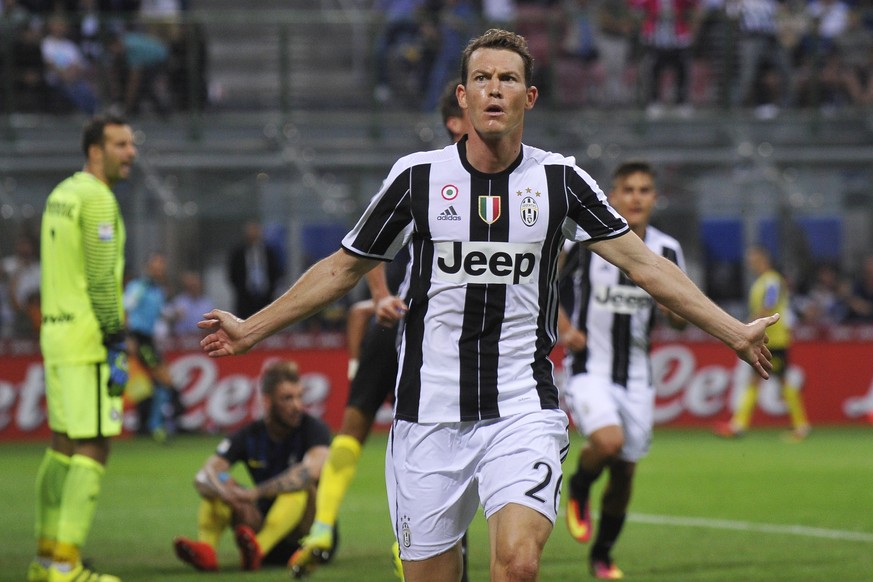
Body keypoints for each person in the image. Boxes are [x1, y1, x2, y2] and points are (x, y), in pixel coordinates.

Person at [198, 29, 777, 582]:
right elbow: (341, 269)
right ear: (462, 94)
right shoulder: (416, 179)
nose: (493, 89)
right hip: (427, 415)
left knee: (518, 565)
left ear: (529, 96)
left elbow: (645, 264)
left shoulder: (562, 182)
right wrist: (252, 328)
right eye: (480, 78)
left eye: (506, 79)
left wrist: (733, 330)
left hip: (523, 407)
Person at [288, 78, 471, 581]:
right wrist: (378, 296)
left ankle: (413, 544)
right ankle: (323, 528)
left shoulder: (510, 178)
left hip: (453, 337)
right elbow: (366, 241)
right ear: (455, 119)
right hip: (401, 324)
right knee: (356, 424)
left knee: (444, 440)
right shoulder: (427, 174)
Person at [559, 160, 688, 580]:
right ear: (613, 196)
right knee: (609, 443)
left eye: (644, 190)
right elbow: (543, 283)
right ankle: (579, 486)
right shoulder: (584, 242)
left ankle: (603, 553)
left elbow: (680, 315)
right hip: (589, 367)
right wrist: (563, 327)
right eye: (628, 189)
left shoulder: (667, 250)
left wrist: (674, 313)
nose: (636, 197)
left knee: (625, 471)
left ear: (654, 198)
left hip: (636, 375)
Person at [29, 113, 136, 582]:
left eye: (131, 144)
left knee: (62, 447)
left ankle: (46, 558)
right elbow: (99, 278)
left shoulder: (60, 195)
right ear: (96, 150)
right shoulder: (96, 199)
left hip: (55, 334)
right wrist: (116, 339)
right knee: (94, 446)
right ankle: (68, 567)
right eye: (120, 144)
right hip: (88, 338)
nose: (130, 152)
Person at [172, 361, 332, 573]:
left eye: (300, 397)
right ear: (267, 402)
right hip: (264, 522)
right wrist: (225, 491)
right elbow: (204, 474)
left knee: (301, 485)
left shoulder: (315, 429)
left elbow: (311, 472)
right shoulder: (249, 434)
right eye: (287, 398)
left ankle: (259, 549)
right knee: (220, 482)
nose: (297, 406)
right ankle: (207, 550)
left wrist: (254, 493)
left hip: (305, 538)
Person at [714, 245, 811, 442]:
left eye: (752, 258)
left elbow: (768, 307)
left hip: (774, 340)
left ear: (762, 258)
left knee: (780, 380)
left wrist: (745, 326)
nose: (750, 262)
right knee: (758, 380)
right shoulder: (763, 281)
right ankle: (739, 425)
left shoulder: (772, 281)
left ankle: (801, 426)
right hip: (767, 339)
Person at [123, 251, 182, 441]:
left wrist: (174, 316)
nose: (160, 268)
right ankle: (155, 425)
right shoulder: (138, 286)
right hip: (138, 339)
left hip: (148, 339)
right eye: (157, 265)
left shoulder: (158, 290)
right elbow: (126, 309)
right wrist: (128, 338)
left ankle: (155, 424)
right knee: (163, 379)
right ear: (149, 267)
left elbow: (161, 313)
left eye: (162, 265)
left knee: (162, 382)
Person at [227, 220, 283, 319]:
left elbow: (276, 271)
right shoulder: (238, 252)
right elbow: (233, 274)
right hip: (245, 300)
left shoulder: (269, 252)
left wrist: (270, 289)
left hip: (266, 297)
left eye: (256, 231)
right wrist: (242, 290)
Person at [166, 269, 215, 336]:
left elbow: (212, 324)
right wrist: (174, 315)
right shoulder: (179, 301)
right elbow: (169, 318)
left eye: (195, 285)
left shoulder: (207, 303)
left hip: (199, 338)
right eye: (191, 285)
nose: (193, 287)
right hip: (181, 338)